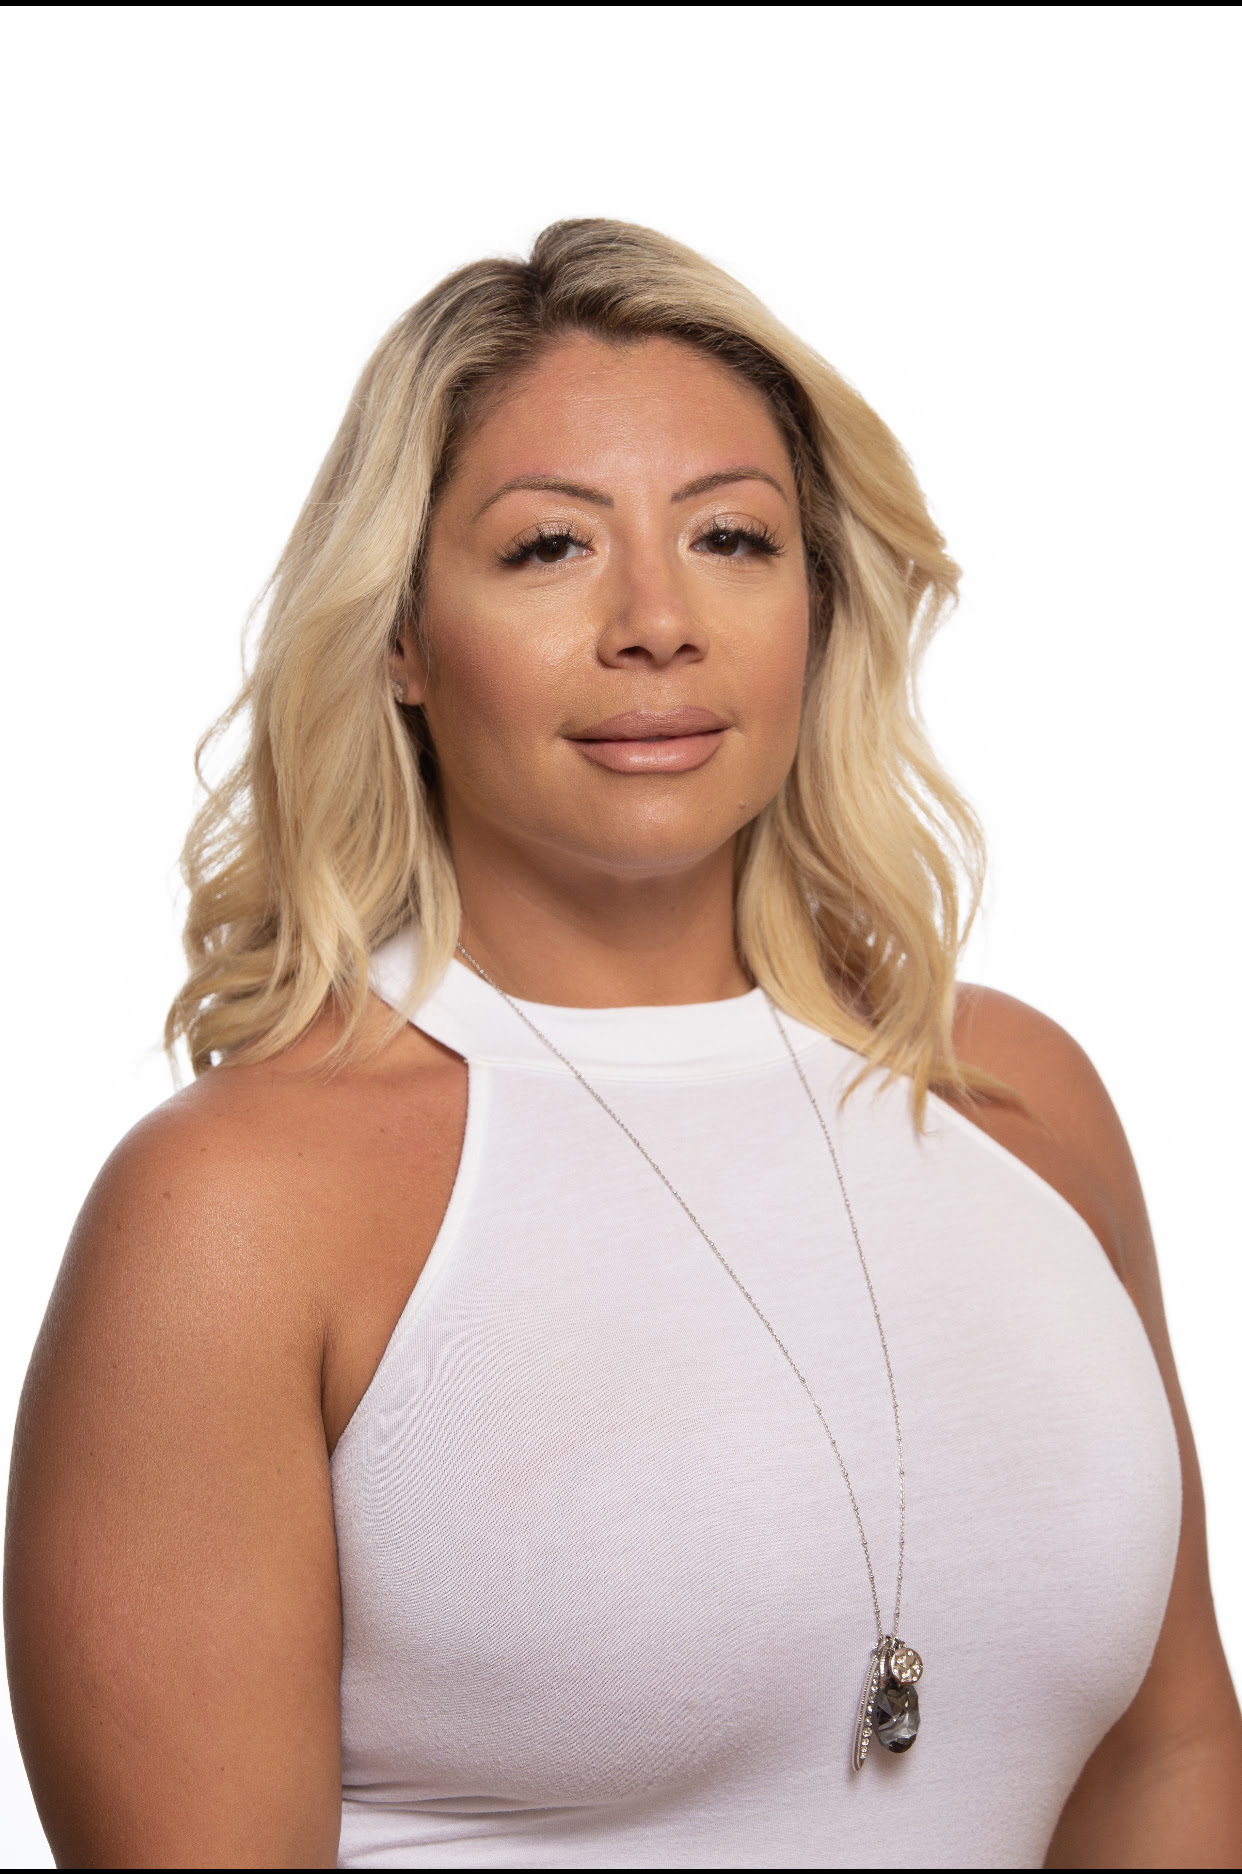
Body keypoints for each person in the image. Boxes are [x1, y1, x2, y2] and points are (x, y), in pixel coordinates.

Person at [6, 220, 1240, 1870]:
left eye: (730, 537)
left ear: (816, 602)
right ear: (401, 635)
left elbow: (1165, 1753)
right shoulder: (237, 1206)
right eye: (547, 548)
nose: (657, 620)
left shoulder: (1018, 1106)